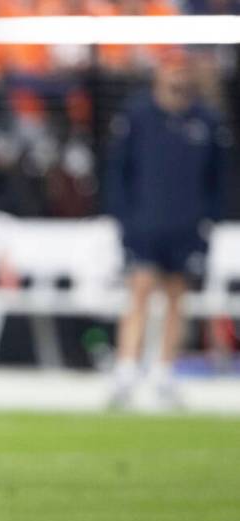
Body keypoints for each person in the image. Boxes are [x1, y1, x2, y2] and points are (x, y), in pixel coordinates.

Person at [107, 48, 230, 408]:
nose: (177, 77)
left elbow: (218, 178)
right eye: (171, 69)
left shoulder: (206, 121)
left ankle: (163, 373)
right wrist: (122, 217)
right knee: (140, 290)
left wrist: (208, 219)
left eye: (183, 70)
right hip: (145, 222)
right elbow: (119, 171)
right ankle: (126, 370)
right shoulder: (138, 115)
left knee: (177, 297)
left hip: (186, 225)